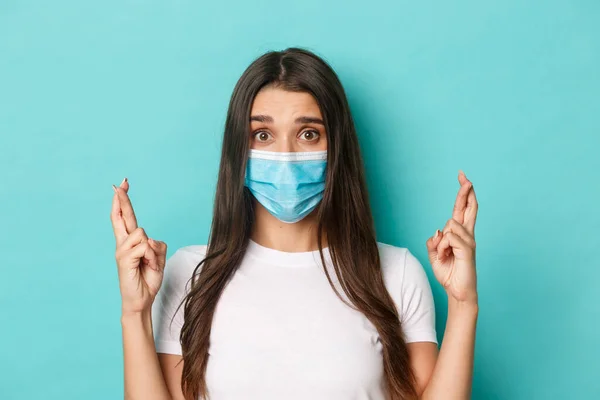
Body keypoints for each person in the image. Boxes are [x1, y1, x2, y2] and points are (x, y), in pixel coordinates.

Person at [110, 48, 479, 400]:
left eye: (308, 134)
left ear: (337, 148)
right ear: (238, 149)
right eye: (263, 135)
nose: (285, 155)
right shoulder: (190, 274)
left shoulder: (395, 272)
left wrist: (463, 305)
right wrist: (135, 312)